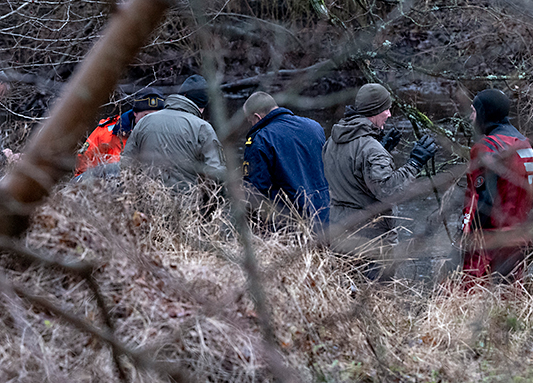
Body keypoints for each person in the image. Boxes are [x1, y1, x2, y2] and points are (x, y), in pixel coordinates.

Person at [322, 83, 437, 280]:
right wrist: (415, 162)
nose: (390, 114)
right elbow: (388, 192)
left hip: (338, 232)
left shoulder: (331, 141)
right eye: (386, 109)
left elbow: (352, 176)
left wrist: (383, 149)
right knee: (376, 297)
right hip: (370, 240)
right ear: (374, 111)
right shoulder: (370, 149)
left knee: (345, 291)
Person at [461, 89, 533, 283]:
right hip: (519, 238)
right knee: (509, 301)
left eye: (473, 111)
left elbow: (485, 200)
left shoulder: (487, 147)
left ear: (484, 112)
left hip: (489, 241)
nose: (471, 118)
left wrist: (467, 235)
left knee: (473, 300)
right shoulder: (526, 145)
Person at [122, 75, 226, 190]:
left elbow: (127, 164)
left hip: (148, 200)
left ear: (182, 94)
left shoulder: (145, 121)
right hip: (187, 203)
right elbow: (216, 175)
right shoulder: (203, 128)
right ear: (204, 104)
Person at [241, 91, 330, 226]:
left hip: (289, 223)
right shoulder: (314, 127)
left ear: (257, 117)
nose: (251, 125)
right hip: (325, 215)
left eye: (250, 121)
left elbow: (255, 192)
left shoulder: (260, 139)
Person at [74, 87, 164, 177]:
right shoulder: (107, 133)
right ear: (135, 113)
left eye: (156, 116)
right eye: (146, 116)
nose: (151, 121)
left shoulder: (168, 135)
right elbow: (82, 167)